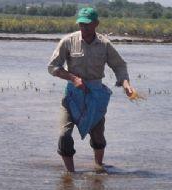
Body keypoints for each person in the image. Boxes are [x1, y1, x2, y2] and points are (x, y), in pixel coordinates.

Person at [48, 7, 134, 172]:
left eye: (87, 25)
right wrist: (73, 78)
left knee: (98, 135)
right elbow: (52, 67)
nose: (84, 28)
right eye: (81, 24)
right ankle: (70, 174)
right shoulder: (68, 41)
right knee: (64, 135)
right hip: (73, 94)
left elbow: (119, 66)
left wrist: (126, 84)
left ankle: (99, 168)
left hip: (95, 95)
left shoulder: (104, 44)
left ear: (96, 24)